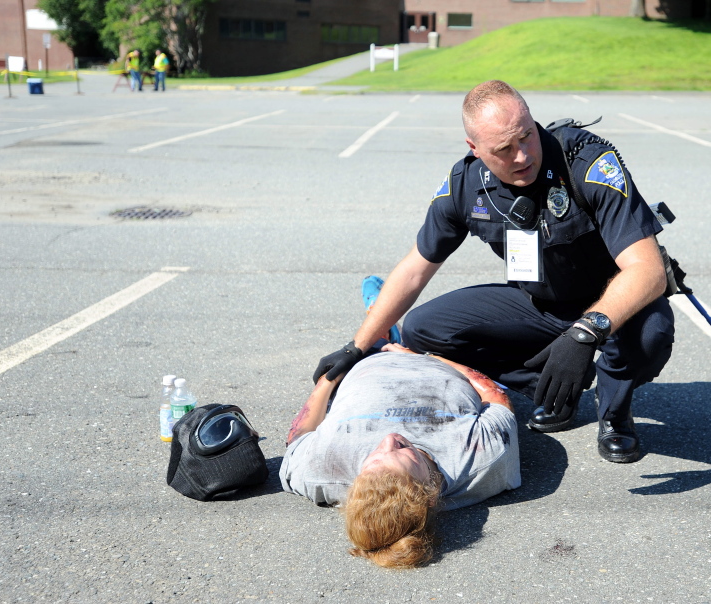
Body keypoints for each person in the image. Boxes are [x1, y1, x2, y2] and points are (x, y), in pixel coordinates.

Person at [314, 80, 673, 464]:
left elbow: (648, 270)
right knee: (423, 328)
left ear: (533, 122)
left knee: (652, 333)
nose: (522, 157)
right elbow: (415, 269)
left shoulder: (587, 163)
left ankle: (614, 411)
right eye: (504, 149)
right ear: (475, 149)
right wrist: (358, 346)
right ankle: (554, 388)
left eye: (527, 137)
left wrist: (585, 334)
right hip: (540, 304)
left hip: (614, 305)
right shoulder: (465, 184)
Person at [282, 277, 520, 569]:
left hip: (365, 366)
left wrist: (329, 378)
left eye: (372, 459)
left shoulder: (320, 472)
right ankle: (390, 326)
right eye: (403, 453)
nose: (388, 440)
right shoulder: (481, 459)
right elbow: (496, 398)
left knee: (375, 338)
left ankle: (380, 319)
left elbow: (299, 436)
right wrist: (425, 357)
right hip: (439, 362)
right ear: (431, 494)